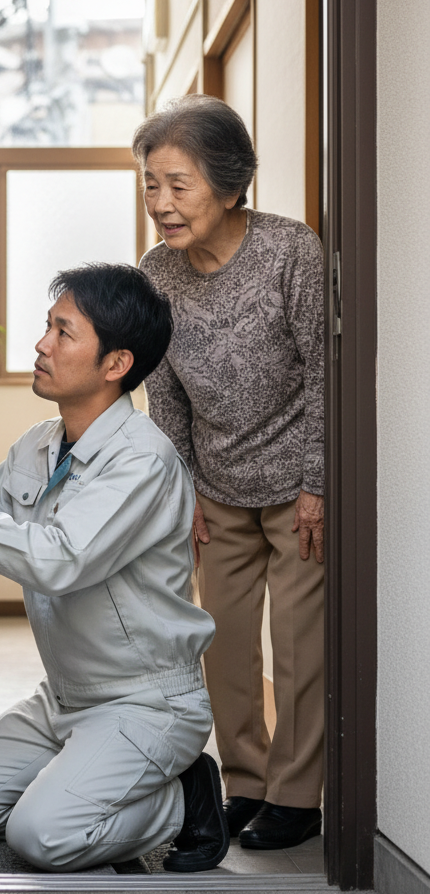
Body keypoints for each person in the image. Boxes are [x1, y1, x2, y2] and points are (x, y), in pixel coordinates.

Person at [0, 263, 227, 873]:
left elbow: (62, 560)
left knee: (42, 839)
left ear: (116, 364)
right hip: (64, 698)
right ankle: (83, 780)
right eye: (47, 327)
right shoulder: (38, 444)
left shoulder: (142, 460)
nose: (40, 345)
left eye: (63, 333)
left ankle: (182, 798)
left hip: (145, 702)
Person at [135, 94, 325, 852]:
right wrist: (184, 487)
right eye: (151, 185)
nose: (161, 205)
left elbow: (324, 375)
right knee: (224, 642)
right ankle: (246, 781)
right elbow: (165, 392)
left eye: (178, 186)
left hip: (297, 487)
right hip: (216, 486)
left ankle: (298, 795)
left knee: (304, 646)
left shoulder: (291, 251)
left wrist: (317, 481)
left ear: (230, 181)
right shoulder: (156, 272)